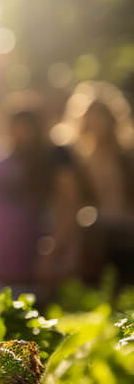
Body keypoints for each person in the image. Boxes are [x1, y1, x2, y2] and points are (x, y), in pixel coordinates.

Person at [0, 92, 83, 296]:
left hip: (44, 258)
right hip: (3, 259)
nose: (22, 135)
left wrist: (53, 251)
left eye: (27, 128)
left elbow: (70, 206)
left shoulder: (54, 158)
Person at [54, 80, 134, 283]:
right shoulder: (78, 160)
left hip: (126, 232)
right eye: (92, 116)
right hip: (95, 237)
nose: (97, 122)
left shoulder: (126, 157)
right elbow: (71, 204)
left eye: (101, 116)